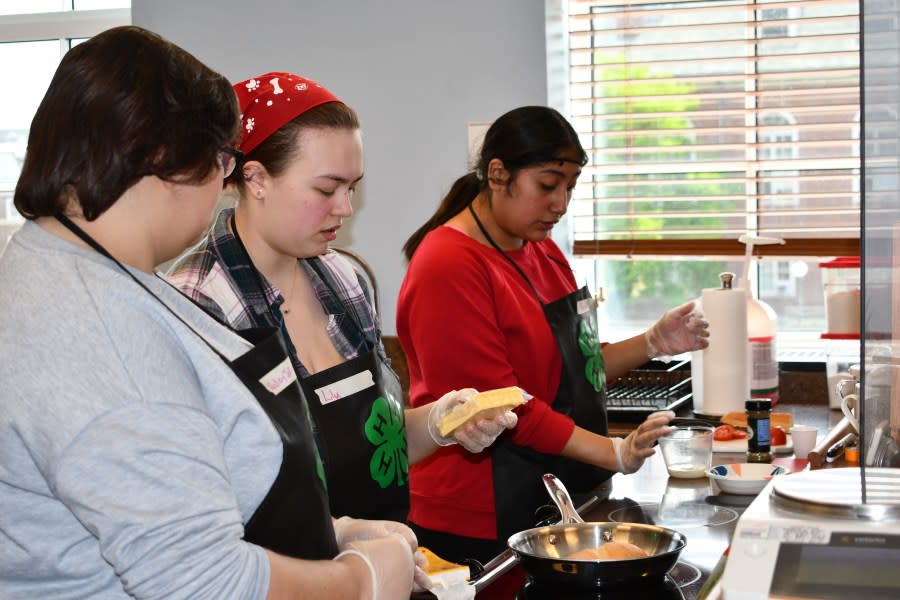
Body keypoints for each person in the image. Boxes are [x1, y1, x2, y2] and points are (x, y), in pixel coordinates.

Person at [0, 26, 419, 599]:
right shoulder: (100, 330)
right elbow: (203, 582)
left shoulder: (80, 267)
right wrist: (360, 580)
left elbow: (181, 495)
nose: (223, 182)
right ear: (162, 160)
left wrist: (328, 533)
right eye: (221, 161)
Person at [167, 72, 517, 524]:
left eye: (351, 188)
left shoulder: (345, 280)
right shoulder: (197, 304)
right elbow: (208, 502)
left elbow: (372, 444)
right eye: (326, 189)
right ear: (254, 178)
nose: (345, 208)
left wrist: (440, 423)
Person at [397, 106, 710, 572]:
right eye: (547, 185)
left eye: (570, 188)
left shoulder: (539, 246)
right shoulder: (448, 265)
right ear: (498, 174)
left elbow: (575, 368)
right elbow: (498, 407)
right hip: (479, 515)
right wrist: (614, 452)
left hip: (554, 488)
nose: (560, 204)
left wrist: (652, 343)